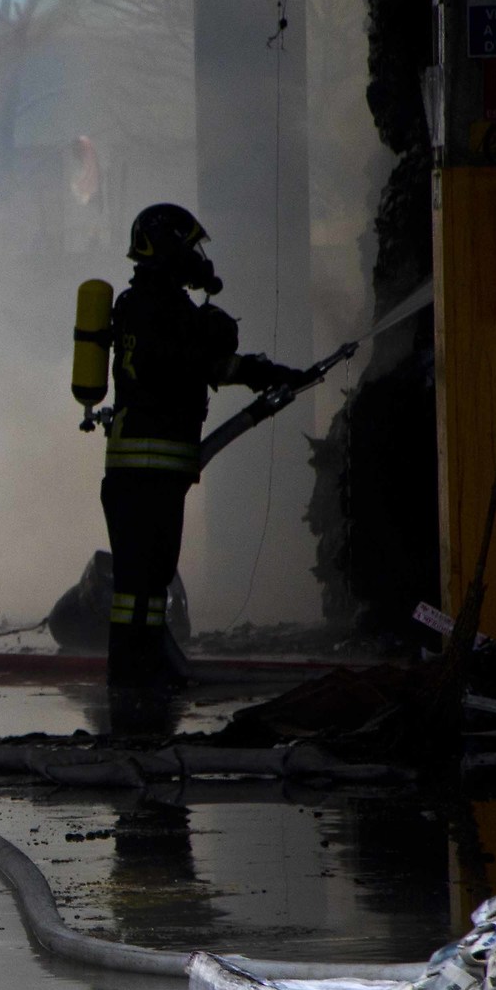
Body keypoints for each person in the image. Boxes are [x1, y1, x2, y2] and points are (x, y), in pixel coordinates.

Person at [98, 204, 303, 717]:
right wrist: (249, 364)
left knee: (151, 576)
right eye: (191, 249)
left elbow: (204, 362)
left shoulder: (153, 305)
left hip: (155, 472)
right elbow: (189, 364)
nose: (199, 260)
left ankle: (144, 668)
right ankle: (130, 676)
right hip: (144, 469)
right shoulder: (155, 309)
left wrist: (264, 371)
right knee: (138, 583)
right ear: (168, 251)